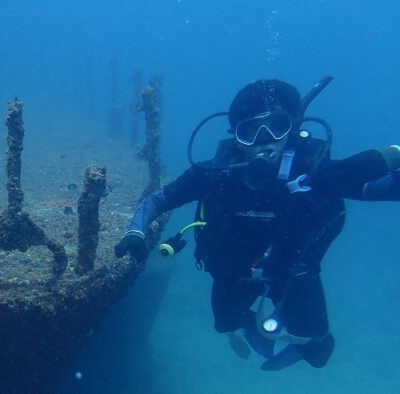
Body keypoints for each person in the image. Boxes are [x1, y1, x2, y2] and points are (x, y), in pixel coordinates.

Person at [115, 77, 400, 371]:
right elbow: (155, 202)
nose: (265, 140)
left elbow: (384, 188)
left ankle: (295, 338)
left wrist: (394, 155)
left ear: (292, 127)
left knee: (319, 353)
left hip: (291, 273)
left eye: (276, 127)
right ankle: (251, 325)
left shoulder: (317, 174)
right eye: (250, 131)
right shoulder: (216, 173)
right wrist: (135, 232)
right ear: (238, 139)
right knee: (225, 323)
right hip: (232, 270)